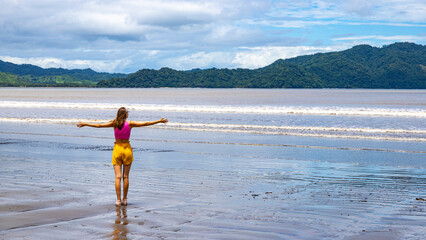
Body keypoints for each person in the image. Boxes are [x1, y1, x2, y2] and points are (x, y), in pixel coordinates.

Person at [77, 107, 168, 206]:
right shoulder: (129, 124)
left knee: (117, 177)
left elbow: (99, 126)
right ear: (125, 115)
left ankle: (118, 200)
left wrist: (85, 124)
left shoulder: (114, 123)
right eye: (127, 113)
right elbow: (145, 124)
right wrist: (159, 121)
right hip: (127, 150)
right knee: (125, 177)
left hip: (117, 150)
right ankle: (125, 199)